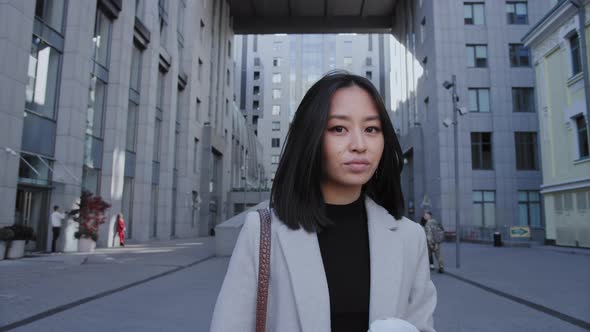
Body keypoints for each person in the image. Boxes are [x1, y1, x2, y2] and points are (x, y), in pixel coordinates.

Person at [210, 71, 436, 332]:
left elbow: (422, 325)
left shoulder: (410, 237)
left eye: (371, 129)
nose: (359, 145)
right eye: (339, 128)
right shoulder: (262, 232)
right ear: (312, 137)